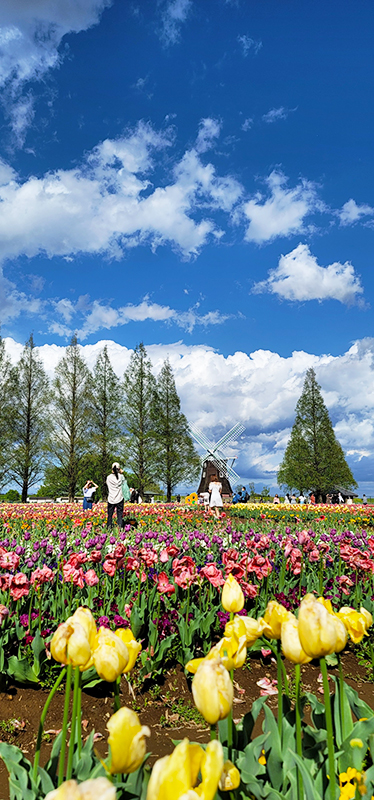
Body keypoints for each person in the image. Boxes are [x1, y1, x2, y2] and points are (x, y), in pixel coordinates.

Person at [106, 462, 125, 529]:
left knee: (110, 515)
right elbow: (124, 483)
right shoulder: (121, 477)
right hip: (119, 498)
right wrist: (121, 472)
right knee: (119, 515)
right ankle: (120, 528)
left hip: (111, 498)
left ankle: (109, 527)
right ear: (119, 469)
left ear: (112, 469)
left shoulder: (108, 477)